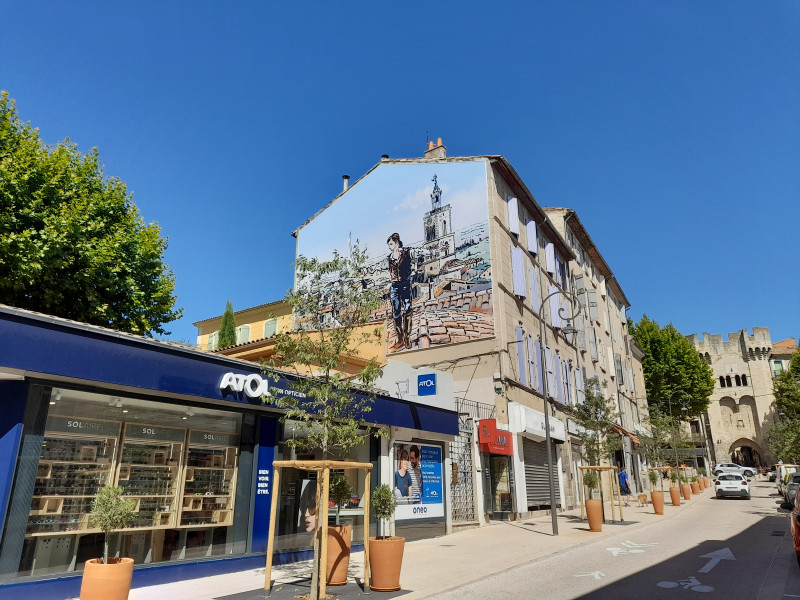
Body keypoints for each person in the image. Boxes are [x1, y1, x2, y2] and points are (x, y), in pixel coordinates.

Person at [386, 233, 415, 349]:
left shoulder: (407, 252)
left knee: (407, 309)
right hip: (395, 287)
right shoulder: (389, 258)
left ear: (397, 243)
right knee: (396, 312)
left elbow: (421, 251)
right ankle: (400, 338)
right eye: (389, 245)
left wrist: (434, 252)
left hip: (405, 284)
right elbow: (377, 266)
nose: (390, 247)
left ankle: (407, 337)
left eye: (391, 244)